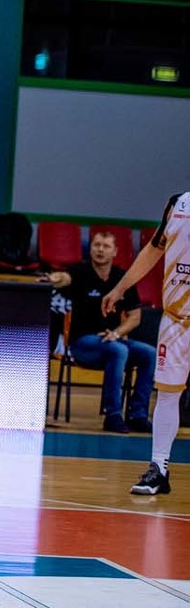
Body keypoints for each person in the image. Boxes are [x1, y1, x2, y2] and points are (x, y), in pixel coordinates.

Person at [103, 191, 189, 495]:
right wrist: (121, 288)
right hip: (177, 319)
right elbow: (154, 249)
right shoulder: (178, 203)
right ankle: (159, 468)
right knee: (167, 394)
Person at [45, 231, 151, 434]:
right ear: (90, 248)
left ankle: (138, 415)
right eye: (97, 245)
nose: (100, 250)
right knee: (118, 350)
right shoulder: (80, 272)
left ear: (115, 251)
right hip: (82, 344)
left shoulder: (122, 278)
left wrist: (116, 333)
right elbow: (64, 278)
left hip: (113, 339)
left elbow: (135, 317)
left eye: (106, 246)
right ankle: (113, 415)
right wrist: (53, 278)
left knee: (148, 353)